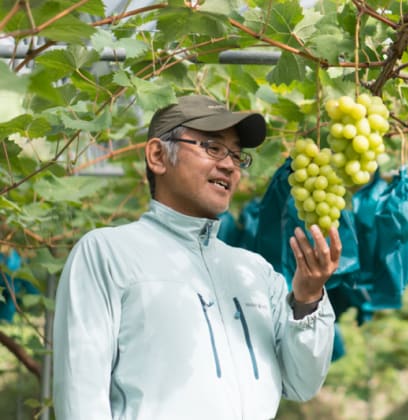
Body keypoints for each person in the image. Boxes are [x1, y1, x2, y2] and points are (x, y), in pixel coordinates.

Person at [53, 95, 342, 420]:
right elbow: (81, 395)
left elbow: (302, 383)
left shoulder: (255, 271)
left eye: (236, 155)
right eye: (212, 147)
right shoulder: (107, 253)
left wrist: (307, 298)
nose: (229, 164)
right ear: (158, 155)